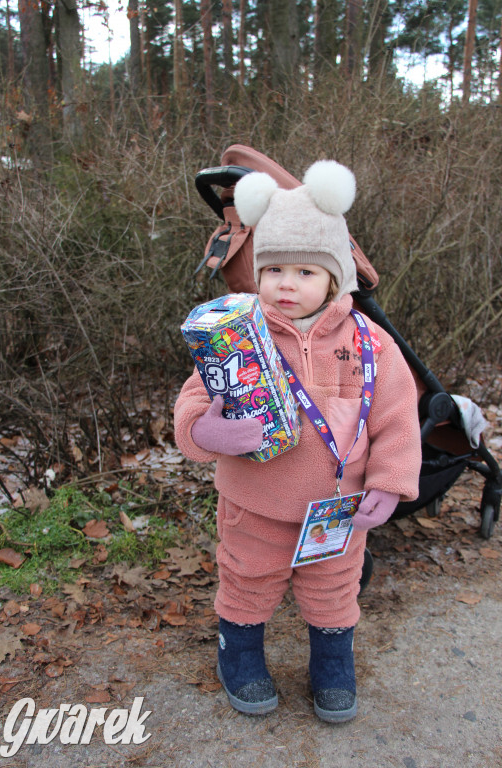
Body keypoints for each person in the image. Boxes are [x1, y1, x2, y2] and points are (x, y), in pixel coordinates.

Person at [174, 160, 421, 723]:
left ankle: (333, 662)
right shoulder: (236, 331)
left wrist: (389, 480)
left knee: (334, 590)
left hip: (337, 509)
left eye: (305, 272)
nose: (286, 283)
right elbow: (192, 397)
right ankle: (238, 653)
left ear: (335, 278)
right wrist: (204, 429)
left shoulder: (370, 343)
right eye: (274, 268)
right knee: (247, 581)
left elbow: (398, 417)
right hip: (253, 503)